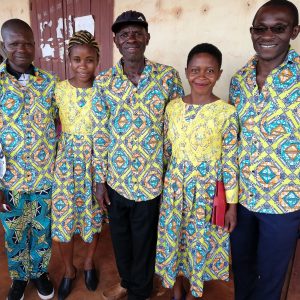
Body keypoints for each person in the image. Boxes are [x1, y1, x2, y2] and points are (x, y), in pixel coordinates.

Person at [92, 10, 184, 300]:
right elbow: (100, 133)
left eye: (137, 32)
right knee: (120, 239)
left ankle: (140, 292)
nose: (131, 38)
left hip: (152, 179)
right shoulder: (104, 82)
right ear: (116, 41)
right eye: (124, 34)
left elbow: (175, 127)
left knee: (145, 240)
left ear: (147, 38)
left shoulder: (168, 77)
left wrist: (172, 173)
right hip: (116, 180)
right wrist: (99, 179)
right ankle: (128, 281)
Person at [155, 43, 239, 300]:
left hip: (208, 192)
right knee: (176, 238)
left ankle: (194, 291)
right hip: (175, 189)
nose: (202, 76)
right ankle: (177, 288)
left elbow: (230, 160)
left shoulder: (226, 112)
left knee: (199, 243)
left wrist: (232, 204)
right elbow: (166, 150)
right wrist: (163, 186)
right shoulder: (173, 108)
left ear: (219, 73)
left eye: (210, 70)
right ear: (186, 71)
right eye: (195, 70)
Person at [229, 1, 300, 299]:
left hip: (284, 203)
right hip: (242, 200)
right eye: (260, 28)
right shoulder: (239, 81)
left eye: (278, 28)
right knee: (242, 271)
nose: (267, 34)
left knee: (270, 281)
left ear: (294, 31)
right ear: (252, 32)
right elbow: (231, 139)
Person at [0, 19, 57, 300]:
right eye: (14, 43)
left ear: (35, 46)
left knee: (42, 229)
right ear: (3, 46)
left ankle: (40, 272)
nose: (22, 48)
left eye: (28, 42)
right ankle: (19, 277)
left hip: (45, 175)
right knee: (15, 231)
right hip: (9, 178)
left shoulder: (49, 83)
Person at [51, 30, 105, 300]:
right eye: (76, 60)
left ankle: (88, 262)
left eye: (89, 60)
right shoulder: (58, 90)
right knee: (64, 219)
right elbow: (48, 125)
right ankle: (69, 269)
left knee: (92, 218)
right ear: (67, 60)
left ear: (98, 60)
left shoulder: (104, 90)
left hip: (95, 162)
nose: (82, 66)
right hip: (66, 163)